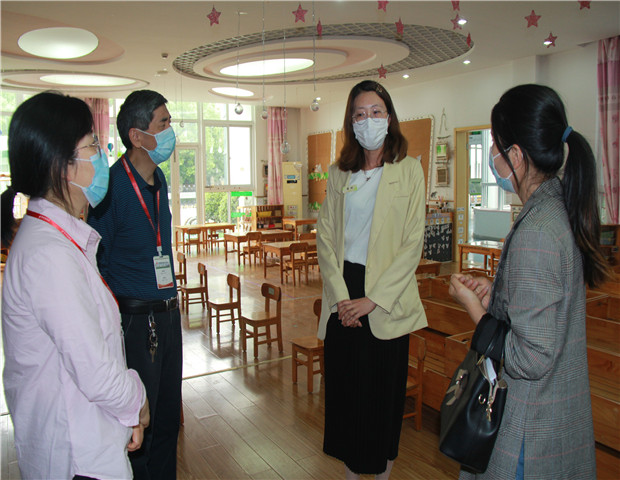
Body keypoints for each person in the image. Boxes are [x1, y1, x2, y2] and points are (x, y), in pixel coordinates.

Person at [449, 84, 610, 479]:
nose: (493, 156)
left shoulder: (538, 229)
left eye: (496, 147)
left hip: (529, 429)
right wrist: (499, 295)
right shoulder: (557, 206)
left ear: (517, 156)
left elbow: (530, 357)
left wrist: (475, 310)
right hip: (553, 416)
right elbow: (549, 307)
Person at [1, 91, 149, 479]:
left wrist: (124, 414)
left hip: (88, 439)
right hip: (76, 456)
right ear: (63, 166)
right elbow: (94, 369)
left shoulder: (57, 241)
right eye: (93, 145)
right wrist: (136, 403)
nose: (102, 155)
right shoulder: (48, 255)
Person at [316, 80, 427, 479]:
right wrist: (343, 298)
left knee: (382, 401)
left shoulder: (409, 170)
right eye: (360, 114)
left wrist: (372, 299)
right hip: (343, 293)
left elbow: (412, 244)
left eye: (376, 112)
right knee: (346, 398)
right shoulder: (339, 173)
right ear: (351, 122)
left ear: (389, 117)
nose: (368, 120)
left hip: (386, 298)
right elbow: (325, 237)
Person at [87, 89, 182, 479]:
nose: (171, 131)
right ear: (137, 136)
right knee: (140, 424)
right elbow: (96, 265)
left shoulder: (158, 179)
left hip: (169, 316)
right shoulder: (110, 187)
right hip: (135, 321)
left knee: (168, 421)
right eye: (163, 123)